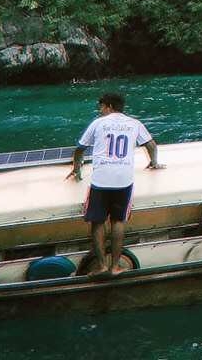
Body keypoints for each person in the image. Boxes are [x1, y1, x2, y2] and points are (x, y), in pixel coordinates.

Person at [67, 92, 162, 276]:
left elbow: (80, 149)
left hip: (101, 180)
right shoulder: (134, 123)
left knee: (97, 222)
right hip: (123, 180)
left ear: (108, 106)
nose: (100, 110)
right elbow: (151, 145)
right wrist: (154, 162)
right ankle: (116, 266)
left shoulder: (98, 123)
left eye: (101, 107)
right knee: (118, 221)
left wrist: (77, 168)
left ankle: (102, 265)